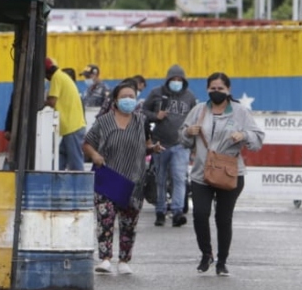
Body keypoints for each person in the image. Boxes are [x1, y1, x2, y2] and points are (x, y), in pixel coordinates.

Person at [180, 72, 264, 277]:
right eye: (213, 89)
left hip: (230, 172)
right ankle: (206, 253)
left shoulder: (240, 111)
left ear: (229, 90)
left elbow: (258, 139)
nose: (216, 92)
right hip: (202, 172)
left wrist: (243, 135)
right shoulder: (199, 110)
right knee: (200, 214)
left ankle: (222, 261)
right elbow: (183, 139)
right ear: (207, 89)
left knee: (223, 218)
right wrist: (187, 132)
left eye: (220, 89)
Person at [83, 79, 158, 275]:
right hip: (108, 177)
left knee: (129, 223)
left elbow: (147, 145)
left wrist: (154, 149)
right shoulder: (103, 121)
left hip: (133, 180)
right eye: (124, 97)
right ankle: (105, 259)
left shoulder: (142, 121)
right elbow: (87, 143)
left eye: (131, 97)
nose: (128, 100)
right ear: (115, 100)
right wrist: (95, 155)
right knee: (105, 219)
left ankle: (124, 260)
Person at [143, 64, 197, 227]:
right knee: (160, 179)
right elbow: (142, 112)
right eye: (173, 79)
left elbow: (194, 119)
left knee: (179, 178)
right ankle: (160, 211)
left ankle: (177, 211)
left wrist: (193, 144)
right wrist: (155, 116)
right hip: (160, 143)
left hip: (181, 144)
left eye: (179, 79)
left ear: (183, 81)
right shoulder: (156, 93)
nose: (176, 82)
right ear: (167, 80)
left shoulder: (189, 97)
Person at [45, 57, 86, 171]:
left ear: (47, 72)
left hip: (71, 127)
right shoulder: (62, 76)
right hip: (71, 127)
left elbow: (52, 102)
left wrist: (37, 103)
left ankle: (79, 187)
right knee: (60, 159)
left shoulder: (56, 78)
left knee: (75, 164)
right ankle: (54, 182)